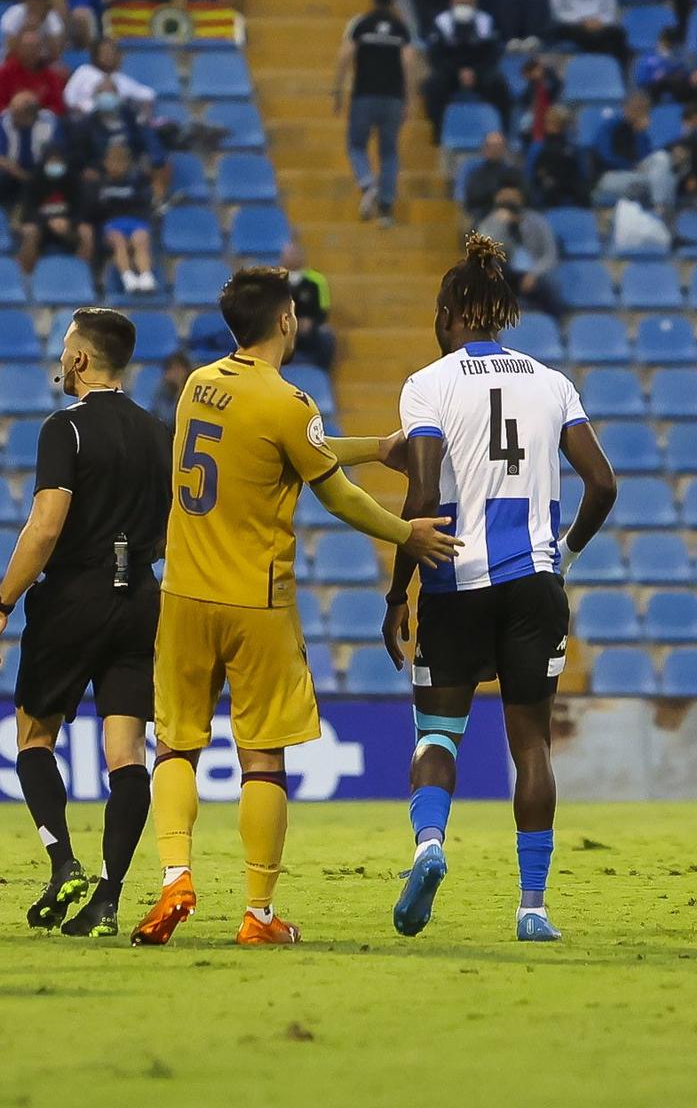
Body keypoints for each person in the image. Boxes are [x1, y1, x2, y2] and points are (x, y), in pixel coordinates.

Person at [132, 268, 460, 947]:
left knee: (174, 743)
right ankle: (257, 914)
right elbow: (331, 490)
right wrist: (408, 532)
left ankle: (174, 877)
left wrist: (375, 447)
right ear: (287, 321)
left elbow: (292, 449)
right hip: (257, 600)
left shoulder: (200, 385)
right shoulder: (288, 400)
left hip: (184, 593)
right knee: (262, 759)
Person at [383, 235, 616, 943]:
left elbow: (423, 492)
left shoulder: (428, 383)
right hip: (534, 584)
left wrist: (398, 593)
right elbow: (602, 484)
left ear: (454, 312)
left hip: (455, 579)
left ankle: (429, 848)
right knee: (532, 746)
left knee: (439, 733)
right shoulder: (553, 382)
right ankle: (533, 907)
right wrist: (564, 555)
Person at [0, 309, 168, 938]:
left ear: (81, 360)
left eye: (65, 349)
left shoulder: (65, 429)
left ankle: (63, 864)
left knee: (34, 737)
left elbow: (46, 525)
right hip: (140, 597)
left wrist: (1, 604)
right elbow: (171, 530)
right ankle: (109, 895)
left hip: (74, 598)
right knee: (127, 752)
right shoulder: (157, 432)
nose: (61, 359)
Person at [334, 0, 415, 227]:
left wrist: (337, 91)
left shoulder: (362, 24)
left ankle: (368, 184)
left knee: (356, 144)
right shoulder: (401, 28)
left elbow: (345, 56)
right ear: (392, 1)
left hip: (364, 95)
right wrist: (409, 99)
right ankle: (386, 209)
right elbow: (408, 64)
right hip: (392, 98)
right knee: (389, 152)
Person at [422, 0, 509, 135]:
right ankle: (439, 132)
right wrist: (458, 72)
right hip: (450, 72)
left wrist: (474, 72)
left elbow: (492, 55)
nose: (463, 7)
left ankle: (499, 132)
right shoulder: (441, 23)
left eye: (467, 4)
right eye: (459, 3)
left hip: (480, 71)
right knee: (432, 85)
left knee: (498, 84)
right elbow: (436, 57)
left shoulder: (486, 21)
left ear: (474, 3)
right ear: (452, 3)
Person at [474, 188, 566, 317]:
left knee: (550, 287)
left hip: (535, 271)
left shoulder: (538, 221)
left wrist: (534, 274)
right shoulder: (490, 223)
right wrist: (501, 227)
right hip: (506, 271)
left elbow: (550, 254)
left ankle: (557, 326)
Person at [86, 140, 161, 295]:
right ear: (106, 163)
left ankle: (146, 277)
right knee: (118, 240)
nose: (116, 165)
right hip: (111, 225)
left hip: (135, 221)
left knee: (141, 239)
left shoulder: (136, 181)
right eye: (112, 161)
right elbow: (94, 211)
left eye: (120, 162)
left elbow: (144, 203)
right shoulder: (99, 184)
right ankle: (128, 278)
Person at [0, 88, 62, 207]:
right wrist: (25, 177)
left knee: (57, 173)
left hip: (41, 170)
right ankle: (0, 212)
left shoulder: (50, 122)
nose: (10, 115)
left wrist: (39, 176)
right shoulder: (4, 120)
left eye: (16, 113)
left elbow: (57, 155)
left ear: (30, 115)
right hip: (13, 170)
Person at [63, 36, 155, 119]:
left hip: (114, 122)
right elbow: (68, 97)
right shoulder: (85, 71)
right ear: (96, 54)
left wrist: (143, 116)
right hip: (86, 121)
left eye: (111, 52)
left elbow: (148, 94)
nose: (108, 56)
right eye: (104, 52)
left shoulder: (120, 78)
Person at [0, 28, 69, 117]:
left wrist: (37, 114)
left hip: (41, 121)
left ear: (40, 50)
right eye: (27, 47)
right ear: (18, 48)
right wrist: (17, 112)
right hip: (11, 120)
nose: (31, 51)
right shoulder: (3, 72)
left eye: (35, 47)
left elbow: (58, 107)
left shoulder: (51, 75)